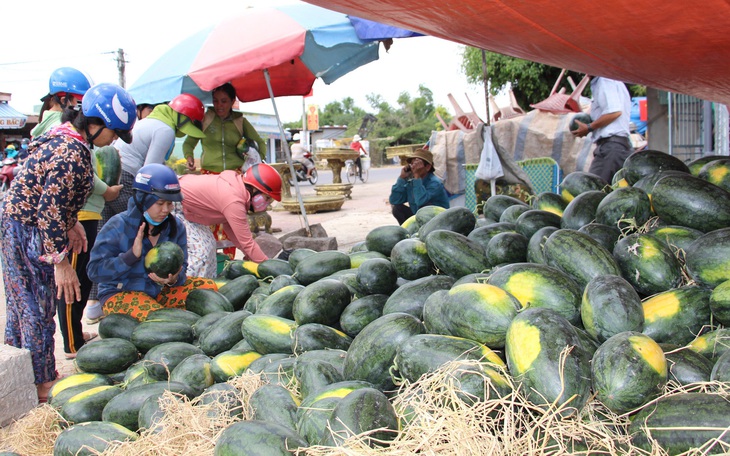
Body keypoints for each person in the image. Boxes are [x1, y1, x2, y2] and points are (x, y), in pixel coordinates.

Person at [0, 82, 136, 403]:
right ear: (96, 123)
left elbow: (50, 191)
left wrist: (72, 221)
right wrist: (61, 264)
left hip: (19, 222)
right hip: (29, 229)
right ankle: (42, 381)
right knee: (37, 305)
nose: (113, 140)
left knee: (22, 301)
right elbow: (48, 211)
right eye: (114, 132)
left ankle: (19, 375)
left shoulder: (66, 137)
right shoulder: (71, 153)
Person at [87, 164, 217, 321]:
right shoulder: (118, 225)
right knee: (159, 320)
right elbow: (94, 271)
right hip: (121, 293)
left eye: (170, 203)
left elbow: (182, 268)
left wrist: (174, 279)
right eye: (160, 203)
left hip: (159, 291)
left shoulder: (176, 227)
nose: (165, 209)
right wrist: (130, 256)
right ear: (143, 200)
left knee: (209, 290)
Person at [102, 93, 206, 223]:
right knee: (139, 226)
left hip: (110, 175)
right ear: (182, 118)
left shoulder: (153, 121)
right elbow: (150, 171)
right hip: (126, 178)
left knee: (107, 232)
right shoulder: (165, 130)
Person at [174, 163, 283, 277]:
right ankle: (187, 287)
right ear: (255, 188)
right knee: (201, 251)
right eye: (267, 198)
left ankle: (207, 285)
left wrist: (250, 255)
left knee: (209, 244)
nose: (266, 204)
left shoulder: (236, 189)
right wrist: (267, 267)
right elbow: (247, 242)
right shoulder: (234, 200)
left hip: (185, 205)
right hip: (172, 201)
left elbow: (232, 231)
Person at [183, 82, 266, 174]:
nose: (219, 105)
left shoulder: (240, 121)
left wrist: (258, 160)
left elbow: (260, 143)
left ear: (233, 101)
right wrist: (189, 157)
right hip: (209, 174)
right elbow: (188, 144)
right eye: (215, 101)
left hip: (235, 174)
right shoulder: (204, 120)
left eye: (224, 101)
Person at [571, 76, 633, 182]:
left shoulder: (605, 81)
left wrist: (589, 127)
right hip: (616, 147)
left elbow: (615, 112)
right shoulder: (612, 81)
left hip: (611, 149)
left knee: (593, 192)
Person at [389, 148, 450, 225]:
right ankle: (409, 232)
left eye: (417, 164)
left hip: (437, 220)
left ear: (427, 167)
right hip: (419, 217)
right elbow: (394, 200)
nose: (414, 167)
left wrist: (417, 177)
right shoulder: (411, 181)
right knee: (397, 209)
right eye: (412, 164)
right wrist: (401, 178)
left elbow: (420, 201)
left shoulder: (435, 183)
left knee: (424, 208)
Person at [31, 67, 92, 139]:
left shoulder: (45, 124)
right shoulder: (63, 130)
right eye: (81, 101)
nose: (84, 105)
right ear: (63, 101)